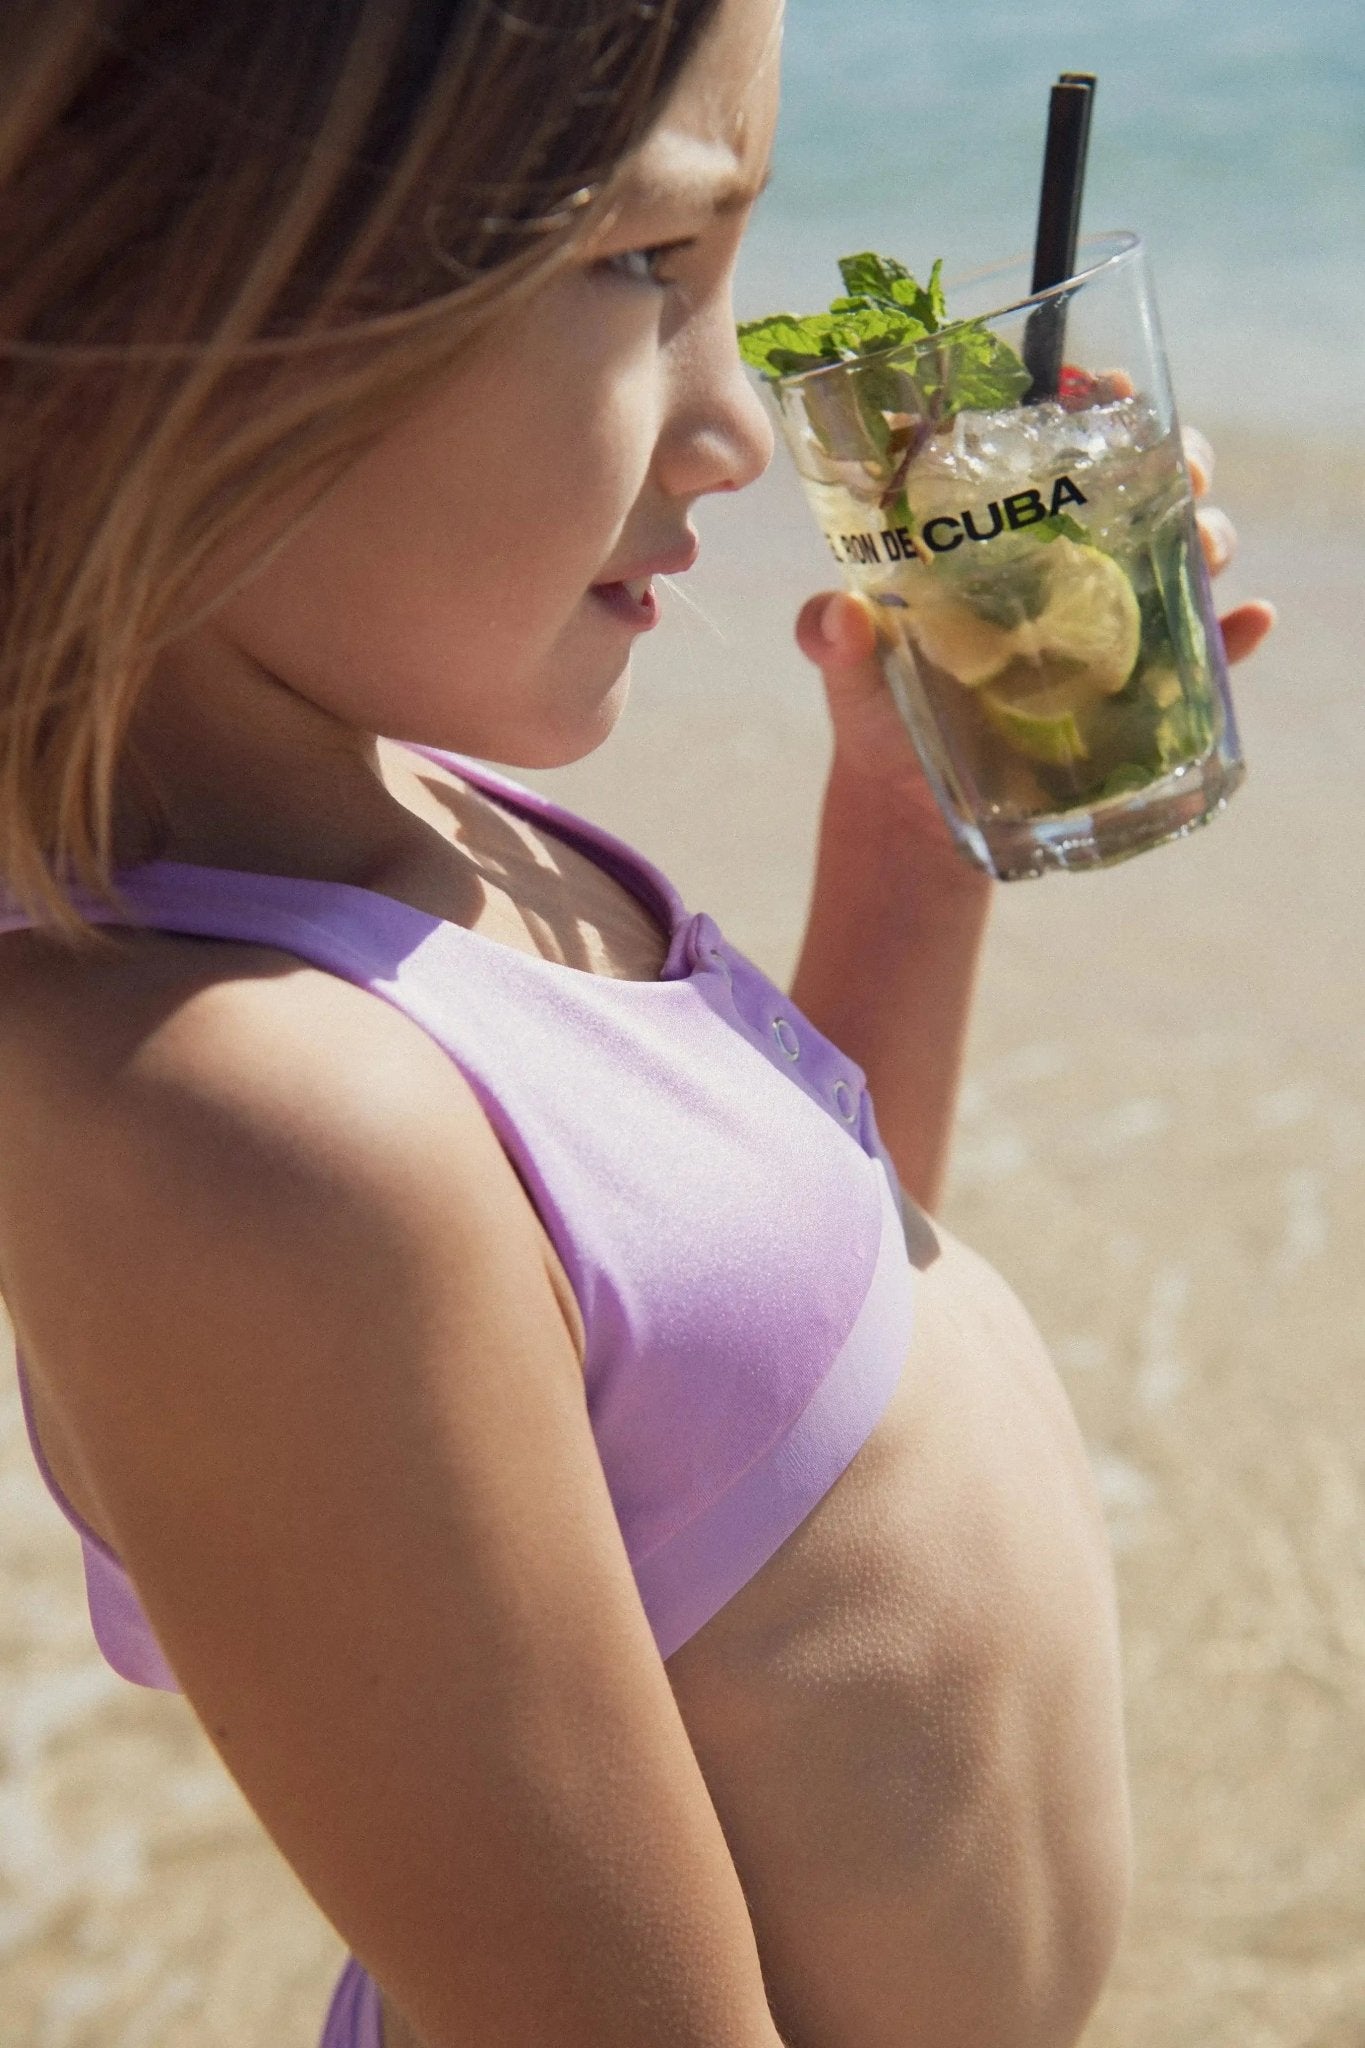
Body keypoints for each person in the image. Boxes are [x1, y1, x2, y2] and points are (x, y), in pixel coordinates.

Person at [0, 4, 1274, 2046]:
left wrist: (904, 839)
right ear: (194, 290)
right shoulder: (233, 1115)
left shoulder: (421, 827)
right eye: (637, 268)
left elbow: (769, 1397)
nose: (740, 423)